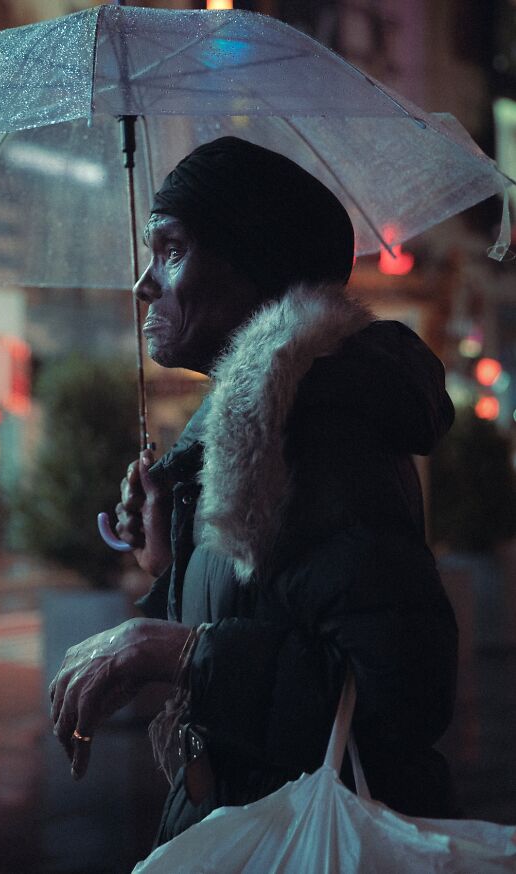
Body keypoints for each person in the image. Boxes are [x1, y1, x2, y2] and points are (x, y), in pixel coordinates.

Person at [49, 137, 458, 846]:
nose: (145, 283)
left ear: (253, 265)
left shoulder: (324, 432)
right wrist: (171, 559)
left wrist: (172, 651)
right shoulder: (260, 433)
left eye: (172, 250)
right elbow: (280, 613)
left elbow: (403, 697)